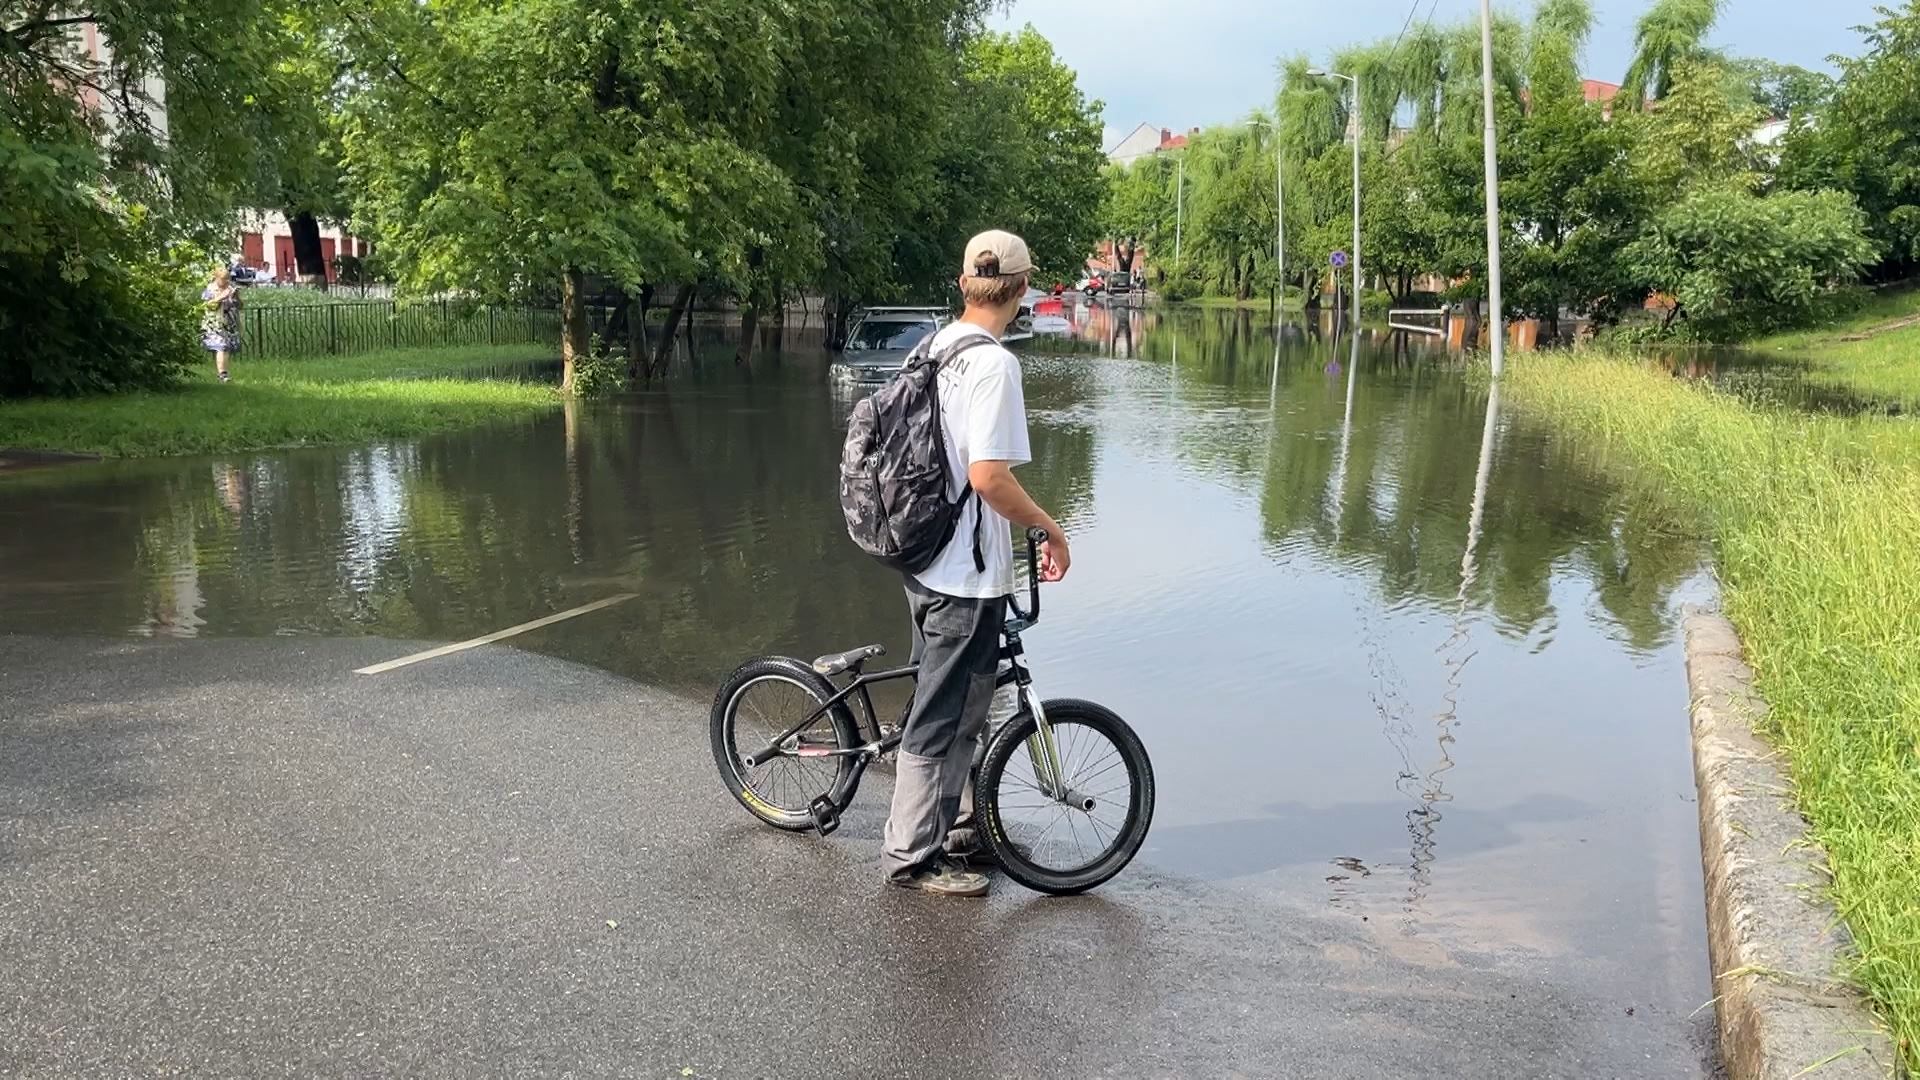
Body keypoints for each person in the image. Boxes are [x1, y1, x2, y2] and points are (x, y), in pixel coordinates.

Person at [884, 230, 1071, 898]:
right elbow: (989, 476)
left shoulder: (934, 346)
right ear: (1022, 289)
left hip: (923, 556)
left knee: (968, 702)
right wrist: (1051, 529)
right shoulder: (993, 364)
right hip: (963, 574)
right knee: (944, 712)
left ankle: (961, 830)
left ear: (965, 284)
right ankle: (913, 855)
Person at [201, 266, 243, 383]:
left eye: (227, 279)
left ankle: (223, 372)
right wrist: (221, 297)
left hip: (228, 323)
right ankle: (222, 374)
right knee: (221, 346)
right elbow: (207, 305)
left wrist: (236, 297)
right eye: (224, 279)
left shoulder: (230, 288)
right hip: (214, 323)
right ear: (217, 278)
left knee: (226, 348)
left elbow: (240, 306)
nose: (226, 282)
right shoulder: (210, 289)